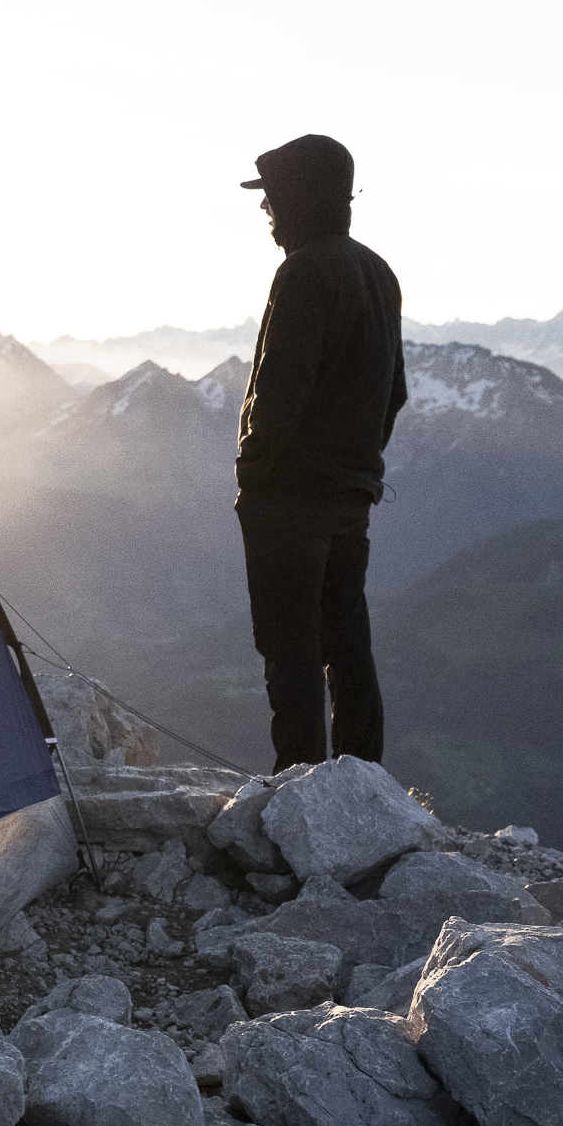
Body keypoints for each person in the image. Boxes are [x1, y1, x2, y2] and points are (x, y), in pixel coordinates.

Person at [233, 134, 406, 772]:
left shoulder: (302, 273)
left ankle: (299, 784)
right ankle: (364, 783)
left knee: (290, 647)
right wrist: (359, 465)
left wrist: (253, 473)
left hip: (289, 498)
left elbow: (281, 389)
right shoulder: (377, 273)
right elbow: (396, 389)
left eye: (272, 200)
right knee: (346, 640)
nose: (267, 214)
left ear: (299, 200)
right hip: (350, 495)